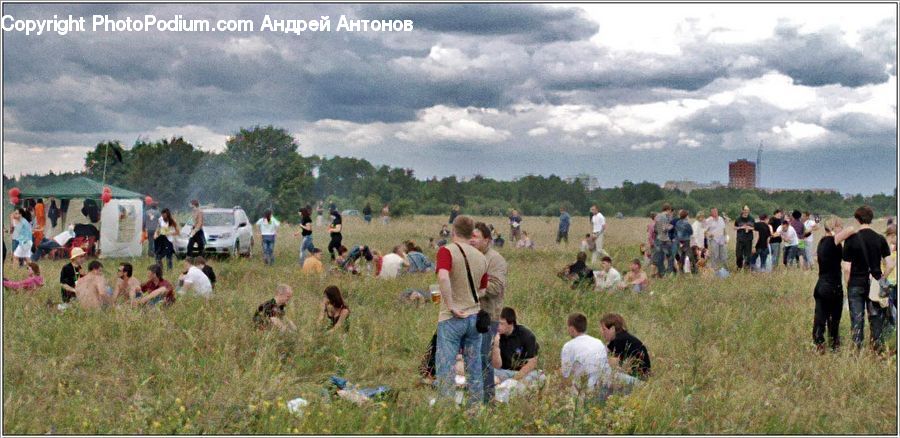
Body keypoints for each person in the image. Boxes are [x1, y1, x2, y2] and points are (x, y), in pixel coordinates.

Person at [435, 215, 489, 406]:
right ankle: (475, 407)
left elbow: (443, 277)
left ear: (453, 231)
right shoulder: (481, 257)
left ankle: (445, 408)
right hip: (474, 317)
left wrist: (451, 304)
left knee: (445, 366)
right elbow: (483, 289)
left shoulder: (446, 251)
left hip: (451, 317)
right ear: (472, 233)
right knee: (474, 367)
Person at [841, 206, 891, 352]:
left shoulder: (851, 239)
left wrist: (848, 283)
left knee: (857, 319)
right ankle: (877, 349)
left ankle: (857, 350)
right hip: (875, 283)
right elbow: (890, 264)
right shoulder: (880, 238)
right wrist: (882, 278)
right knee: (876, 319)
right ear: (871, 219)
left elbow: (846, 268)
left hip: (856, 282)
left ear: (857, 219)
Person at [472, 221, 508, 402]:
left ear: (487, 240)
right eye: (470, 236)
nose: (472, 240)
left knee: (483, 358)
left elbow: (496, 287)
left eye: (476, 237)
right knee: (471, 357)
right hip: (469, 314)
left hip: (487, 316)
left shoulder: (495, 259)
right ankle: (475, 397)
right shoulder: (470, 257)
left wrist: (473, 290)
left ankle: (487, 400)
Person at [560, 313, 638, 398]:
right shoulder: (598, 342)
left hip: (588, 389)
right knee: (637, 385)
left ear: (572, 329)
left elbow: (565, 375)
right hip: (607, 382)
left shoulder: (568, 346)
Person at [812, 217, 845, 352]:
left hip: (821, 284)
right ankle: (834, 344)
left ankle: (818, 342)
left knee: (820, 315)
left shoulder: (821, 242)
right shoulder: (832, 241)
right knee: (834, 317)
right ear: (833, 228)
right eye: (840, 227)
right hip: (833, 285)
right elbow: (851, 230)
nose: (842, 229)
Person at [490, 307, 540, 384]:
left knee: (538, 376)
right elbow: (497, 366)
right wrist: (496, 346)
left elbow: (532, 363)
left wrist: (514, 379)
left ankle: (507, 384)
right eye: (497, 323)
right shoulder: (496, 335)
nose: (498, 326)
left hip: (522, 372)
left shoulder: (526, 335)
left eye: (502, 323)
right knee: (488, 372)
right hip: (503, 371)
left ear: (511, 323)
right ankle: (504, 384)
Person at [599, 313, 651, 380]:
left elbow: (615, 362)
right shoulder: (620, 337)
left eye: (604, 329)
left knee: (606, 376)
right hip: (638, 376)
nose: (602, 332)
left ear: (612, 329)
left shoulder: (620, 339)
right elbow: (602, 351)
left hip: (638, 378)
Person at [653, 204, 674, 277]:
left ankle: (662, 273)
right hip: (665, 239)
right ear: (668, 209)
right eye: (670, 211)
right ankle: (668, 272)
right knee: (671, 256)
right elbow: (664, 229)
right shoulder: (665, 217)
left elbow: (655, 229)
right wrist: (671, 227)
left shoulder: (657, 216)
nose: (670, 212)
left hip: (658, 239)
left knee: (660, 257)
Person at [734, 206, 755, 270]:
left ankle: (746, 267)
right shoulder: (738, 219)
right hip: (740, 239)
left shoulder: (751, 218)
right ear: (742, 211)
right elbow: (734, 227)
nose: (746, 212)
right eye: (745, 210)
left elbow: (755, 227)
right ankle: (739, 267)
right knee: (739, 255)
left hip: (748, 239)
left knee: (748, 255)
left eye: (748, 210)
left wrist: (749, 228)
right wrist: (741, 227)